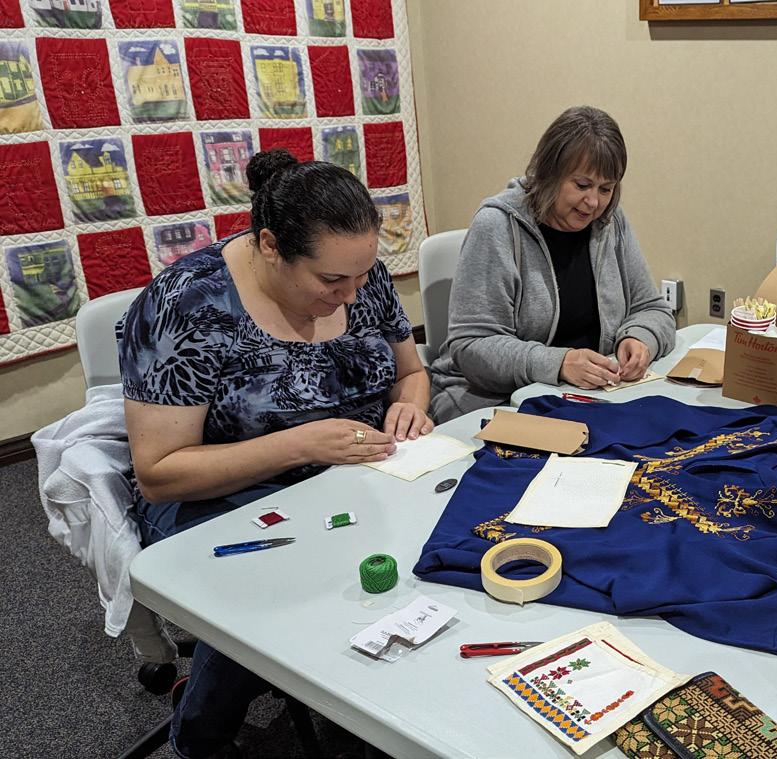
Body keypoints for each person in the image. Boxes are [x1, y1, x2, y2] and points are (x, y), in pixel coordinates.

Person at [118, 149, 432, 757]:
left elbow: (411, 373)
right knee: (276, 586)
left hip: (350, 470)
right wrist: (299, 444)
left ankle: (384, 708)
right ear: (269, 246)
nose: (350, 296)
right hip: (218, 492)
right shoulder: (188, 304)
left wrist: (410, 407)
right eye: (331, 282)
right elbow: (159, 474)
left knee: (433, 545)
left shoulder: (357, 278)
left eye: (363, 276)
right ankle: (200, 737)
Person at [428, 105, 675, 421]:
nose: (594, 202)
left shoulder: (610, 222)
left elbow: (653, 309)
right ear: (548, 173)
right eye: (582, 185)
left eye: (606, 188)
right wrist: (558, 363)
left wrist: (640, 338)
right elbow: (471, 347)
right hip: (490, 400)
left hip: (580, 398)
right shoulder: (497, 226)